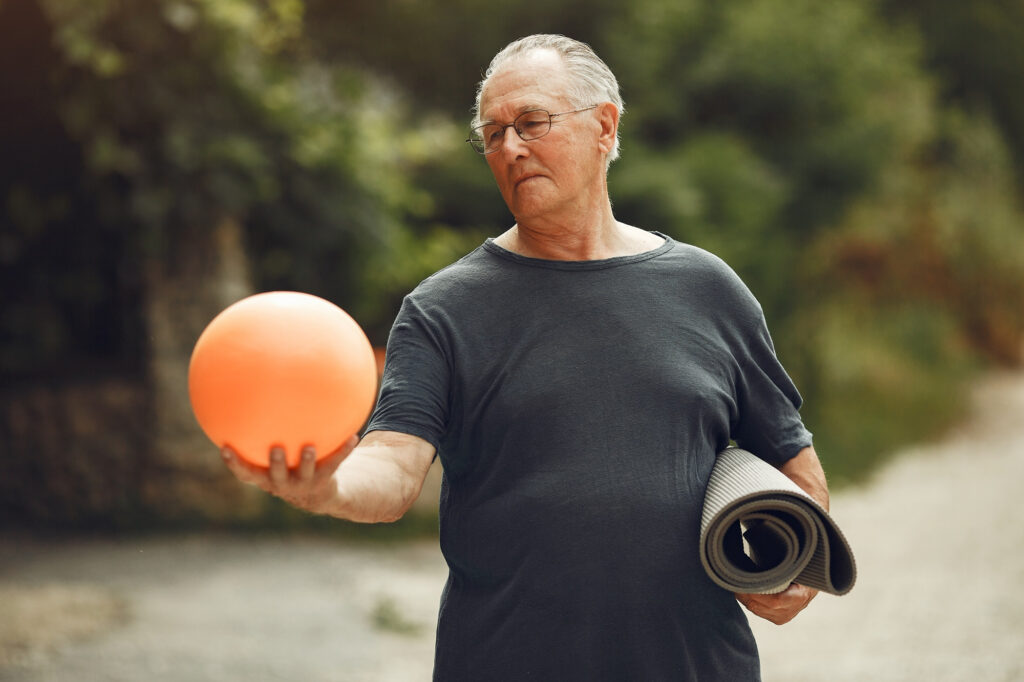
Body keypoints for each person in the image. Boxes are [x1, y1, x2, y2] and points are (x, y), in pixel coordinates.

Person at [223, 34, 830, 680]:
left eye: (531, 123)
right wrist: (330, 487)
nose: (510, 147)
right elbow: (394, 468)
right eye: (492, 134)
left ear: (604, 126)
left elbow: (791, 455)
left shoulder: (710, 290)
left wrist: (800, 566)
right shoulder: (443, 310)